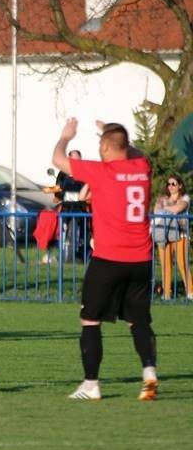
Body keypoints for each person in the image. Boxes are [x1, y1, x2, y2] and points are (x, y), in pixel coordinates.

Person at [52, 119, 157, 401]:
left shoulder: (101, 171)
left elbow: (58, 159)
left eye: (101, 144)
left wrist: (66, 136)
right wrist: (114, 135)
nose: (99, 149)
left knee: (90, 320)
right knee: (138, 321)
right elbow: (133, 152)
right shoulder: (142, 167)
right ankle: (149, 372)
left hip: (109, 258)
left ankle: (91, 385)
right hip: (141, 260)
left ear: (108, 147)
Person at [153, 174, 192, 300]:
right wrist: (167, 207)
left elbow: (178, 208)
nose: (170, 186)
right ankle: (166, 293)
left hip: (181, 234)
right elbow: (156, 211)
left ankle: (190, 292)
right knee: (166, 264)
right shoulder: (162, 198)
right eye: (168, 184)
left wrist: (165, 208)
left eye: (173, 184)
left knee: (182, 262)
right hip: (164, 232)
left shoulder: (185, 198)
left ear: (180, 185)